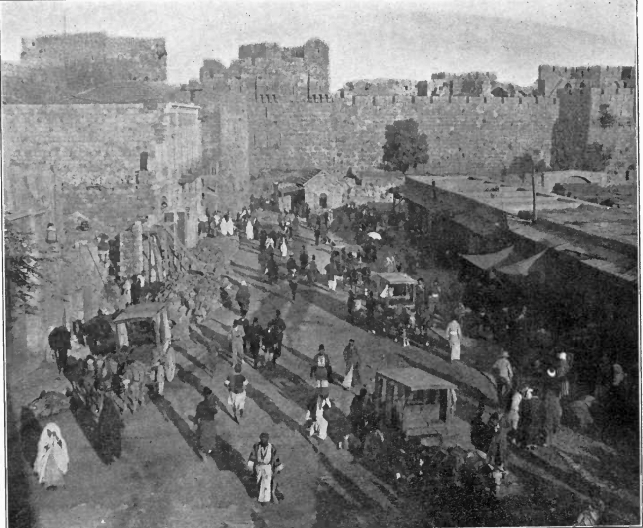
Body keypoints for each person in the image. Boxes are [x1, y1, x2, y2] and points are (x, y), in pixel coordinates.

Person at [247, 433, 284, 505]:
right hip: (259, 467)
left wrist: (278, 467)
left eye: (265, 439)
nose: (263, 440)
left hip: (268, 467)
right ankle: (260, 498)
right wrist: (250, 465)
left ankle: (266, 500)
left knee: (266, 483)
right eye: (262, 439)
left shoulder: (272, 447)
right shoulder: (256, 446)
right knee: (259, 482)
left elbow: (276, 457)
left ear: (267, 439)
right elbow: (253, 455)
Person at [34, 423, 69, 490]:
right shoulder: (46, 442)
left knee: (52, 472)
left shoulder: (58, 441)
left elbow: (63, 451)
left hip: (53, 461)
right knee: (50, 472)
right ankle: (50, 483)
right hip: (49, 461)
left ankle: (52, 483)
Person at [97, 396, 124, 464]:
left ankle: (112, 457)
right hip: (112, 432)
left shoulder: (104, 413)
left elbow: (101, 424)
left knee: (109, 445)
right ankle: (115, 455)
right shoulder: (113, 411)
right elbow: (117, 419)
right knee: (114, 444)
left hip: (109, 433)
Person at [195, 387, 218, 455]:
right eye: (208, 394)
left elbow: (215, 411)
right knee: (205, 437)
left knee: (211, 436)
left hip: (210, 421)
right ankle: (203, 450)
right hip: (205, 422)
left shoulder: (206, 404)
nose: (209, 396)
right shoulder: (202, 404)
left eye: (209, 394)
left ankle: (209, 450)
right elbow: (214, 411)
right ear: (205, 395)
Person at [542, 367, 562, 447]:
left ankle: (547, 441)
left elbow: (545, 395)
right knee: (555, 422)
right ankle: (552, 441)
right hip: (556, 403)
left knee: (548, 423)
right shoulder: (557, 383)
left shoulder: (547, 385)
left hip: (550, 403)